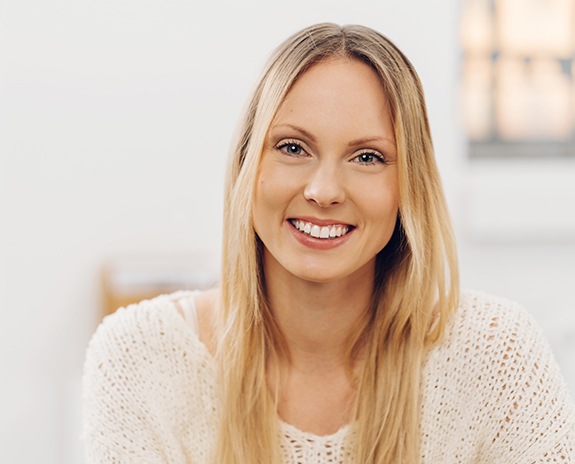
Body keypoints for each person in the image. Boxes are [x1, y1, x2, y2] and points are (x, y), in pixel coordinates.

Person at [82, 23, 575, 463]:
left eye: (366, 157)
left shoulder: (496, 353)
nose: (322, 191)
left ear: (409, 187)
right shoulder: (139, 357)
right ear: (247, 166)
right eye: (293, 148)